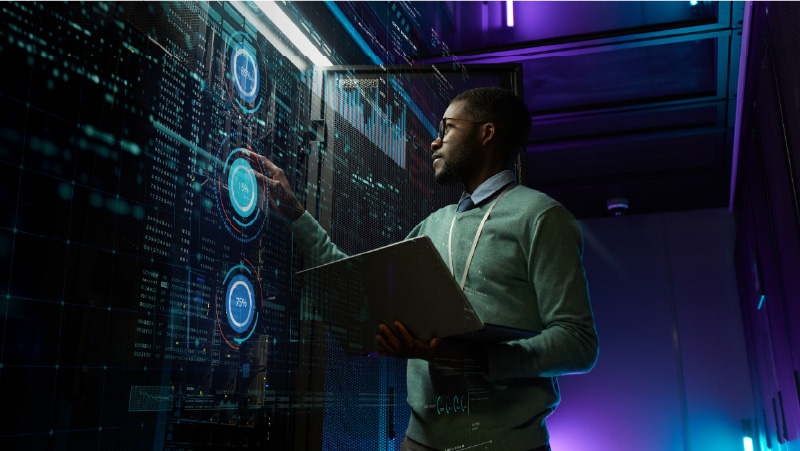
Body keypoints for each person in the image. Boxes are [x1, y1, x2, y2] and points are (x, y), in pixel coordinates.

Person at [256, 87, 599, 451]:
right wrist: (297, 215)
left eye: (447, 128)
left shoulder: (541, 217)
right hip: (419, 442)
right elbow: (358, 291)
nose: (434, 143)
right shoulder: (433, 225)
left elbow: (578, 342)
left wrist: (481, 360)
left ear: (487, 133)